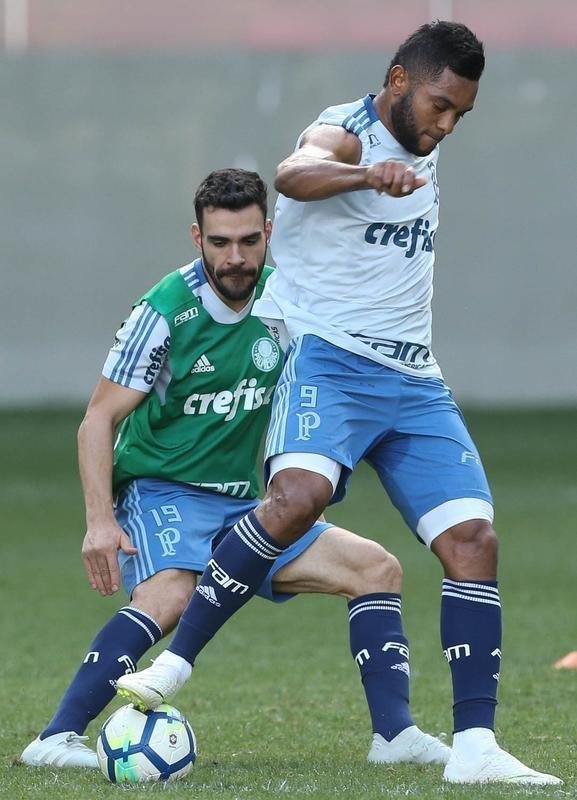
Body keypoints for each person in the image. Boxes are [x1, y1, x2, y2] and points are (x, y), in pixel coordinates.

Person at [116, 25, 563, 786]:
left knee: (473, 541)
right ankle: (176, 664)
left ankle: (477, 748)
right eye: (438, 105)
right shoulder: (346, 132)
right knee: (296, 497)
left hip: (413, 378)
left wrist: (410, 157)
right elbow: (294, 172)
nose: (446, 123)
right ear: (395, 81)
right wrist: (364, 177)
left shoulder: (425, 136)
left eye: (460, 113)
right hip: (328, 360)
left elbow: (415, 141)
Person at [21, 168, 449, 770]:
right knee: (173, 593)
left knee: (375, 568)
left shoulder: (287, 303)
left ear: (269, 232)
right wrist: (98, 520)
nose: (236, 257)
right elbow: (97, 420)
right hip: (159, 489)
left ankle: (396, 736)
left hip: (244, 505)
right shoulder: (165, 311)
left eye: (249, 241)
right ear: (196, 238)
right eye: (220, 242)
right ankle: (55, 738)